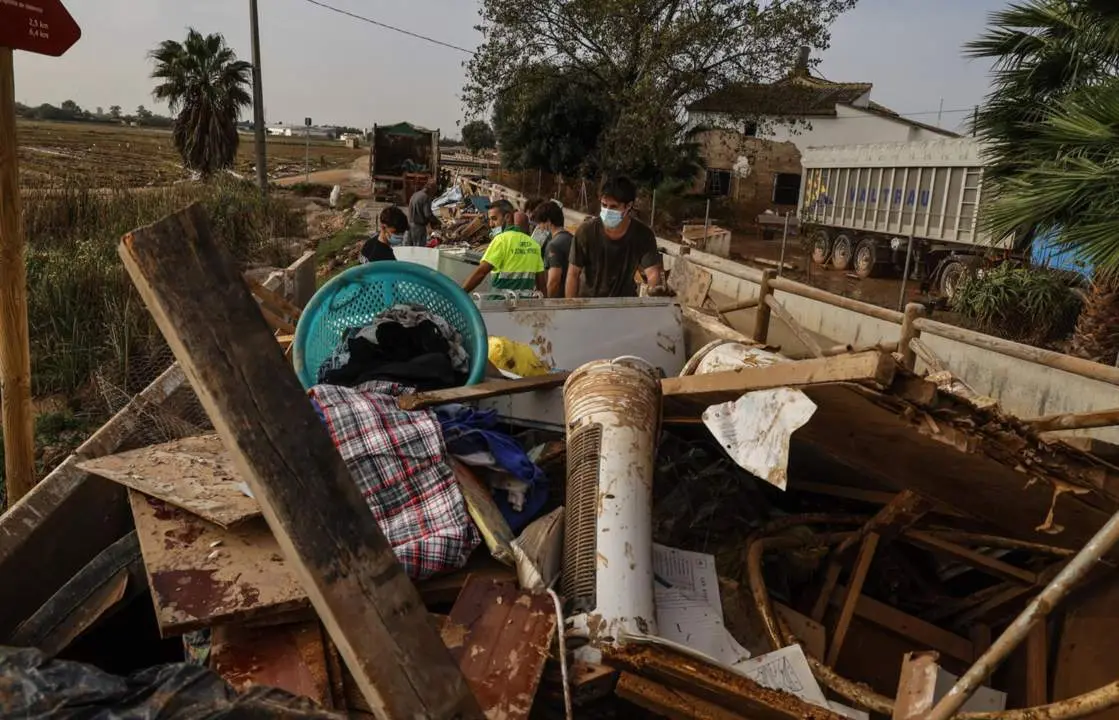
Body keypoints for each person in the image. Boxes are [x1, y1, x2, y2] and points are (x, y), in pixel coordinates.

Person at [566, 176, 664, 298]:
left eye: (613, 207)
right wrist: (570, 309)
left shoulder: (643, 235)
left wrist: (657, 290)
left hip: (623, 305)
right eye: (604, 205)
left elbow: (653, 273)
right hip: (589, 303)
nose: (607, 210)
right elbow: (573, 274)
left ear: (628, 206)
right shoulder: (586, 232)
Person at [462, 199, 545, 295]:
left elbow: (481, 273)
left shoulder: (501, 240)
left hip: (500, 304)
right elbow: (541, 285)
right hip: (525, 306)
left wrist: (460, 295)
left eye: (494, 219)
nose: (491, 224)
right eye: (489, 220)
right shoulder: (534, 244)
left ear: (507, 217)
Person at [530, 200, 573, 298]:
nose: (540, 228)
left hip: (558, 301)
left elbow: (554, 281)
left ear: (548, 222)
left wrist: (547, 303)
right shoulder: (572, 238)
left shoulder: (553, 245)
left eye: (540, 223)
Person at [407, 178, 441, 246]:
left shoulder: (415, 194)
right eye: (434, 191)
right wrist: (437, 221)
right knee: (419, 249)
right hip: (419, 227)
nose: (434, 193)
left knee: (411, 248)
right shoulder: (425, 197)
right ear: (431, 189)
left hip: (410, 225)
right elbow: (428, 214)